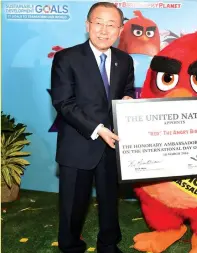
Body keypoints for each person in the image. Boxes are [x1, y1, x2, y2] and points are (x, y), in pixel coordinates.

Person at [51, 2, 135, 253]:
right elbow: (64, 103)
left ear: (120, 30)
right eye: (98, 23)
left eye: (111, 25)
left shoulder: (124, 59)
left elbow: (127, 90)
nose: (104, 30)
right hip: (78, 144)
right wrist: (97, 128)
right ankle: (70, 245)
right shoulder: (67, 58)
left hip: (112, 144)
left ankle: (108, 244)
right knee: (73, 204)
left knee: (110, 200)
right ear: (87, 25)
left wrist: (129, 100)